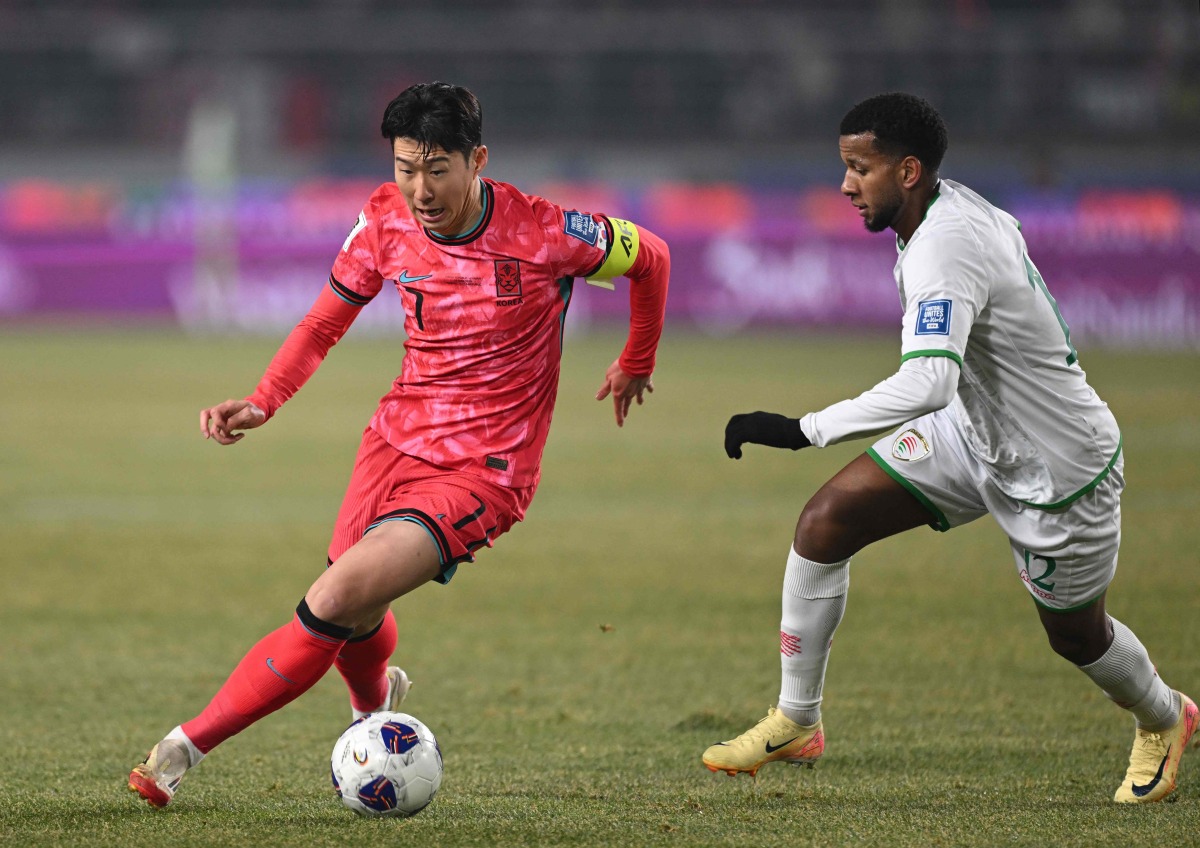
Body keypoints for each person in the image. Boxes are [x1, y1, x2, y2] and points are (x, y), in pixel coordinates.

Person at [129, 81, 670, 808]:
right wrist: (263, 399)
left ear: (477, 160)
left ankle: (182, 748)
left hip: (485, 470)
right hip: (393, 442)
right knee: (352, 613)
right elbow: (323, 323)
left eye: (437, 168)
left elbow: (653, 257)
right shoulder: (384, 221)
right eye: (405, 168)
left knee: (336, 593)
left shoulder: (545, 232)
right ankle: (374, 706)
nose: (420, 188)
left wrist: (637, 359)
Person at [702, 92, 1195, 803]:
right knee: (825, 522)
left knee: (1077, 637)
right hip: (976, 433)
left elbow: (930, 382)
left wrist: (805, 426)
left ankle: (1165, 716)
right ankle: (798, 719)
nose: (845, 185)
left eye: (858, 169)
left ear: (907, 171)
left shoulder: (944, 243)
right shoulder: (937, 210)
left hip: (1058, 470)